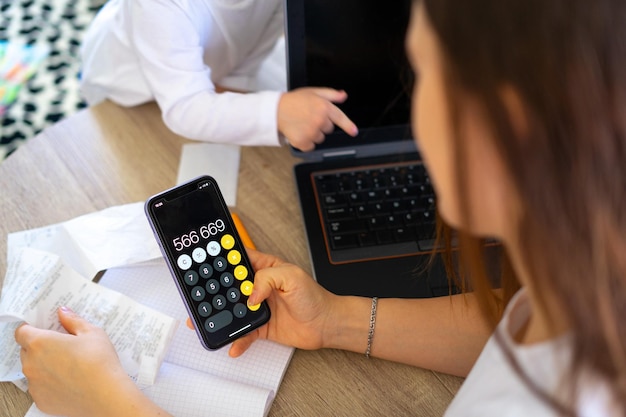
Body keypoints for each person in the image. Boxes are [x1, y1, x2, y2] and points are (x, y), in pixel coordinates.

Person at [16, 0, 626, 415]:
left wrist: (115, 407)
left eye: (421, 70)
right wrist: (333, 317)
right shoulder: (584, 284)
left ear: (504, 125)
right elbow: (518, 332)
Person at [79, 0, 358, 151]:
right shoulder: (156, 6)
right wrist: (276, 112)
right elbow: (185, 107)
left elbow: (254, 43)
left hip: (215, 65)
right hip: (125, 83)